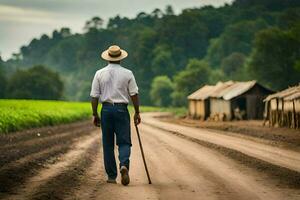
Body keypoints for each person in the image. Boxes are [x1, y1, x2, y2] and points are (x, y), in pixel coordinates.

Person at [90, 45, 141, 186]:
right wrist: (137, 112)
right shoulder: (128, 73)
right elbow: (134, 94)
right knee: (124, 141)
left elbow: (94, 96)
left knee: (108, 144)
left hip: (106, 110)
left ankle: (112, 176)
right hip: (121, 110)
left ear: (108, 57)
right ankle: (124, 164)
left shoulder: (99, 73)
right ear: (120, 58)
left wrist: (95, 114)